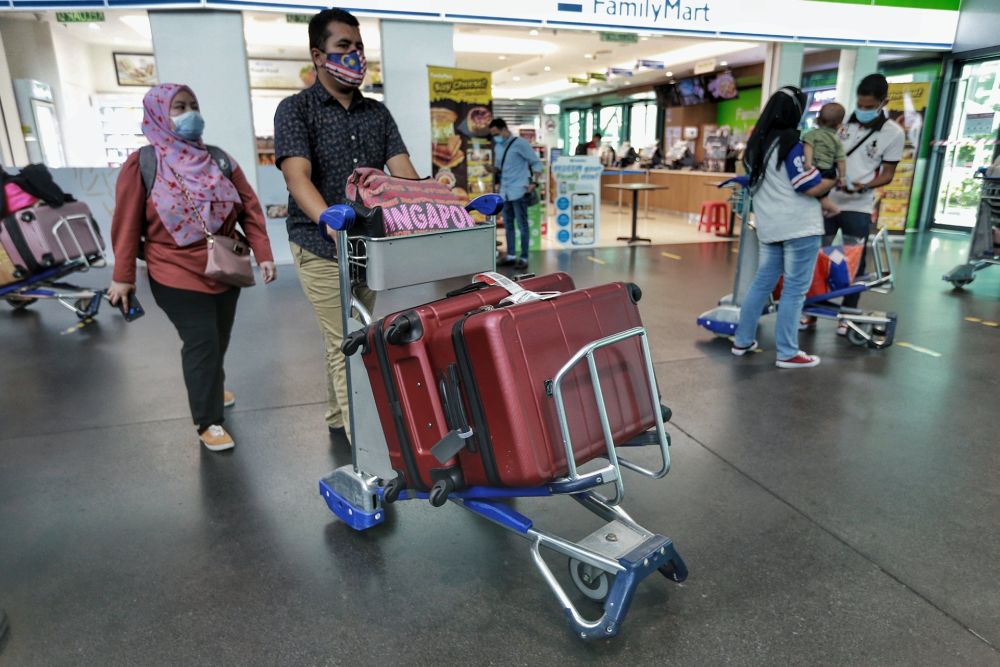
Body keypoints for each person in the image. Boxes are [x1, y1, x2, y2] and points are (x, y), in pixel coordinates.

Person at [275, 7, 418, 441]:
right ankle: (368, 451)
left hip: (370, 244)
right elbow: (296, 175)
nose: (354, 55)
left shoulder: (377, 114)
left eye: (358, 47)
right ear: (318, 55)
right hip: (318, 242)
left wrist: (441, 202)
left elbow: (403, 172)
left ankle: (339, 417)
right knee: (351, 340)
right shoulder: (296, 110)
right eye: (343, 47)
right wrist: (328, 220)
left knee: (349, 331)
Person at [109, 83, 276, 451]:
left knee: (219, 338)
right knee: (201, 341)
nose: (190, 114)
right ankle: (208, 420)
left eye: (194, 105)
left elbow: (249, 208)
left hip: (225, 264)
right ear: (157, 115)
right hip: (173, 269)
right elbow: (126, 223)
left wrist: (263, 252)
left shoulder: (218, 159)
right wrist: (122, 277)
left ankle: (212, 387)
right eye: (178, 107)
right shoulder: (144, 162)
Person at [730, 86, 836, 369]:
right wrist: (830, 181)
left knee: (762, 282)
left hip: (770, 225)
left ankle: (742, 340)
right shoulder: (793, 143)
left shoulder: (756, 146)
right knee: (794, 290)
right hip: (800, 226)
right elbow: (806, 185)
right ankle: (788, 352)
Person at [823, 73, 904, 332]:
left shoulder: (894, 133)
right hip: (827, 200)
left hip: (858, 205)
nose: (864, 110)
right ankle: (810, 311)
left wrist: (865, 185)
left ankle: (848, 315)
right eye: (861, 105)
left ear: (883, 102)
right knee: (817, 254)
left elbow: (888, 174)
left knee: (853, 260)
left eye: (870, 107)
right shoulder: (842, 122)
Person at [489, 118, 543, 270]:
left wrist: (534, 183)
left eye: (496, 133)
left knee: (522, 225)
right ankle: (511, 255)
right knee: (508, 225)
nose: (495, 137)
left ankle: (524, 257)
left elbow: (536, 163)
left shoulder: (520, 144)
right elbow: (499, 168)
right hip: (505, 192)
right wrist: (491, 169)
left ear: (504, 129)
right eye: (493, 135)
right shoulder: (498, 147)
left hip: (519, 191)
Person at [802, 102, 847, 181]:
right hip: (828, 171)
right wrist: (842, 177)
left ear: (817, 120)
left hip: (813, 168)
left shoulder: (812, 134)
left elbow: (808, 146)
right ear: (839, 125)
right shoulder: (837, 140)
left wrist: (808, 162)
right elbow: (841, 160)